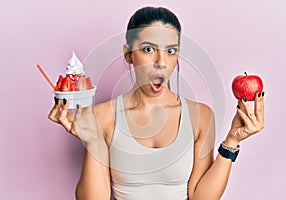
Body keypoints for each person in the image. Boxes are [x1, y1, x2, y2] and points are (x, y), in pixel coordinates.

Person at [48, 6, 265, 200]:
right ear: (128, 54)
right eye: (148, 49)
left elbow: (201, 197)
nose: (161, 62)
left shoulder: (201, 115)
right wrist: (93, 141)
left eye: (170, 51)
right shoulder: (102, 116)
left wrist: (232, 141)